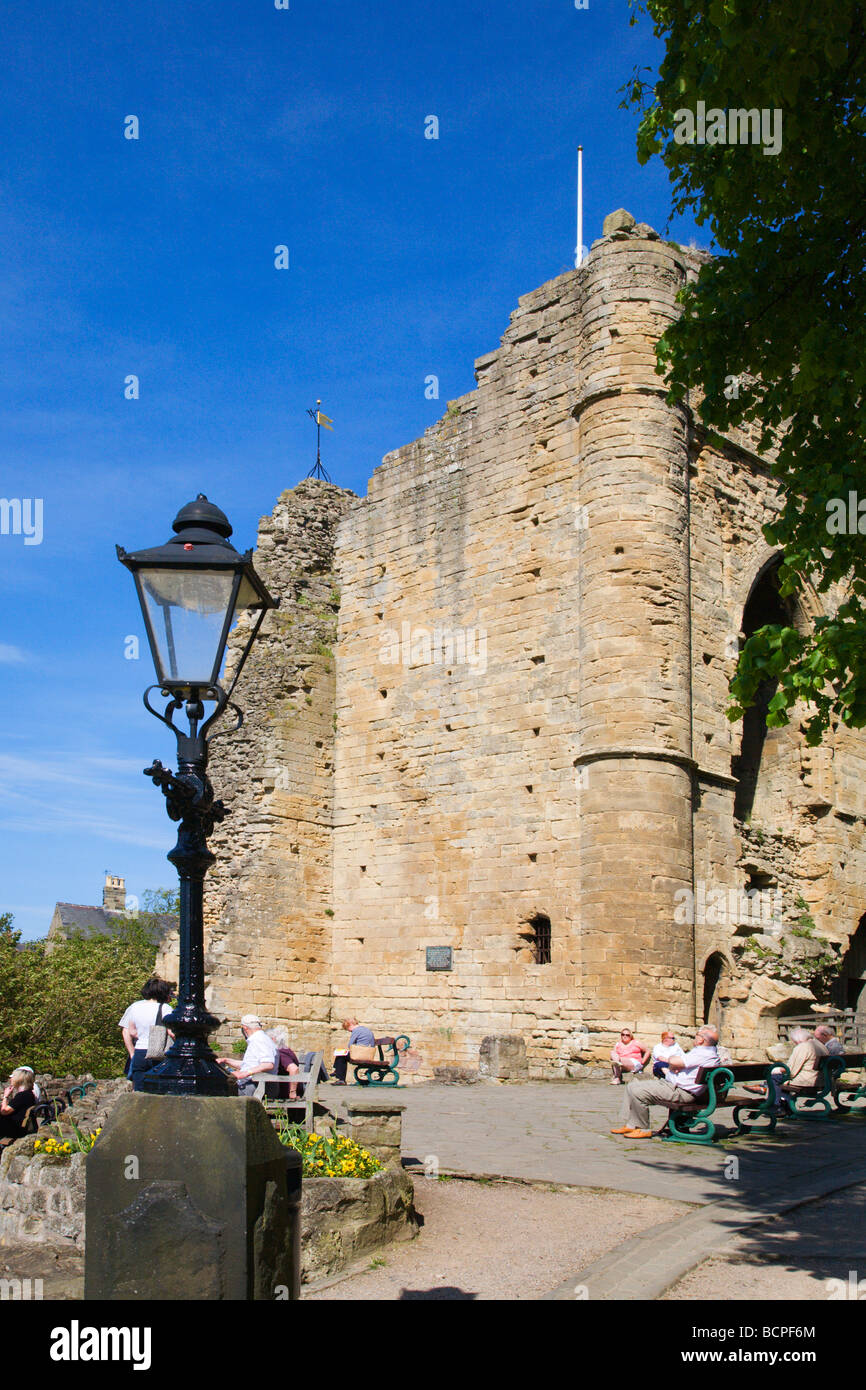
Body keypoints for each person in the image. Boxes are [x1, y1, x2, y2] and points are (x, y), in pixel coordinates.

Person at [610, 1024, 721, 1138]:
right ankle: (632, 1124)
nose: (695, 1037)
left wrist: (673, 1061)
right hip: (675, 1086)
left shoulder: (702, 1053)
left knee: (637, 1091)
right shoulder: (708, 1053)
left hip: (679, 1091)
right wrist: (675, 1064)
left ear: (701, 1039)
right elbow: (678, 1063)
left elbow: (675, 1061)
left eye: (696, 1035)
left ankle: (642, 1128)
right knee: (633, 1085)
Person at [119, 976, 175, 1092]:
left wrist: (140, 1040)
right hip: (158, 1053)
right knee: (159, 1092)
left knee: (139, 1090)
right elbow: (172, 1032)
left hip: (140, 1052)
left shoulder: (135, 1007)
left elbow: (132, 1031)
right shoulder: (165, 1008)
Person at [216, 1015, 278, 1096]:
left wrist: (244, 1073)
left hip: (257, 1086)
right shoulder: (259, 1039)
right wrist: (226, 1060)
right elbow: (250, 1064)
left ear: (244, 1028)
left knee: (216, 1090)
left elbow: (268, 1064)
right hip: (256, 1084)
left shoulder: (260, 1040)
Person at [769, 1026, 828, 1107]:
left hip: (807, 1082)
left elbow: (791, 1071)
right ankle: (784, 1102)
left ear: (798, 1040)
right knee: (780, 1078)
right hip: (822, 1081)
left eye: (795, 1042)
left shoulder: (803, 1047)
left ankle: (776, 1105)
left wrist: (777, 1070)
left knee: (774, 1077)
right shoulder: (821, 1045)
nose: (795, 1044)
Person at [331, 1017, 377, 1085]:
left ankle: (340, 1078)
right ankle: (337, 1071)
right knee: (343, 1054)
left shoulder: (356, 1031)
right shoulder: (366, 1030)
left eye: (347, 1029)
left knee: (341, 1055)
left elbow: (350, 1045)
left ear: (350, 1024)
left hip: (360, 1055)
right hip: (368, 1054)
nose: (349, 1031)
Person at [0, 1068, 37, 1141]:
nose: (11, 1079)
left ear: (19, 1079)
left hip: (15, 1128)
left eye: (13, 1077)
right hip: (17, 1125)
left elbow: (4, 1111)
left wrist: (5, 1096)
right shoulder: (29, 1094)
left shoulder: (22, 1096)